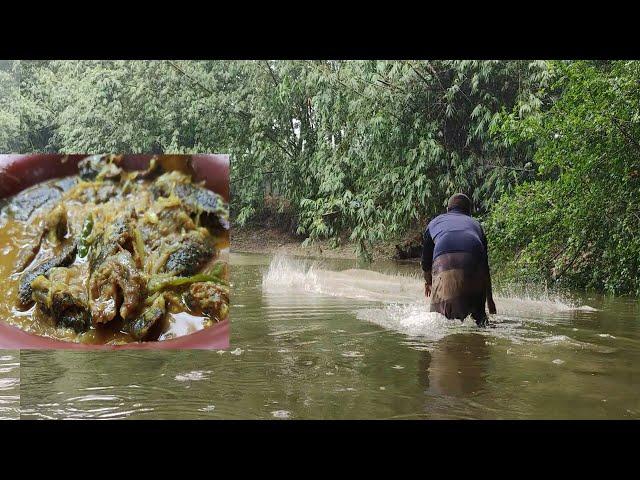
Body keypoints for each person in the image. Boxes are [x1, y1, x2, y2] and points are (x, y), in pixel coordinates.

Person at [421, 193, 496, 326]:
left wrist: (428, 282)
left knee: (439, 320)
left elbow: (426, 262)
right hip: (474, 256)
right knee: (479, 321)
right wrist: (490, 301)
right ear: (469, 212)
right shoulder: (476, 225)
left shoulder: (434, 223)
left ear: (448, 209)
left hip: (444, 257)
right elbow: (485, 269)